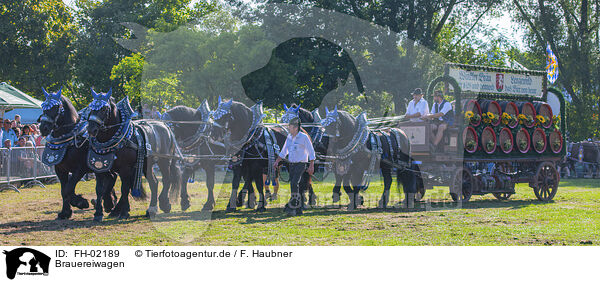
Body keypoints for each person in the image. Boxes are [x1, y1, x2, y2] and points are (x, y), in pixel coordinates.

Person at [273, 117, 315, 216]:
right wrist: (277, 161)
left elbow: (311, 151)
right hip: (291, 164)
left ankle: (293, 206)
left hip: (301, 164)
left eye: (290, 127)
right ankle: (299, 209)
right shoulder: (289, 137)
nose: (288, 129)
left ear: (296, 128)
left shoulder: (304, 137)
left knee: (294, 183)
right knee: (296, 185)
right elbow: (284, 151)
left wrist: (311, 165)